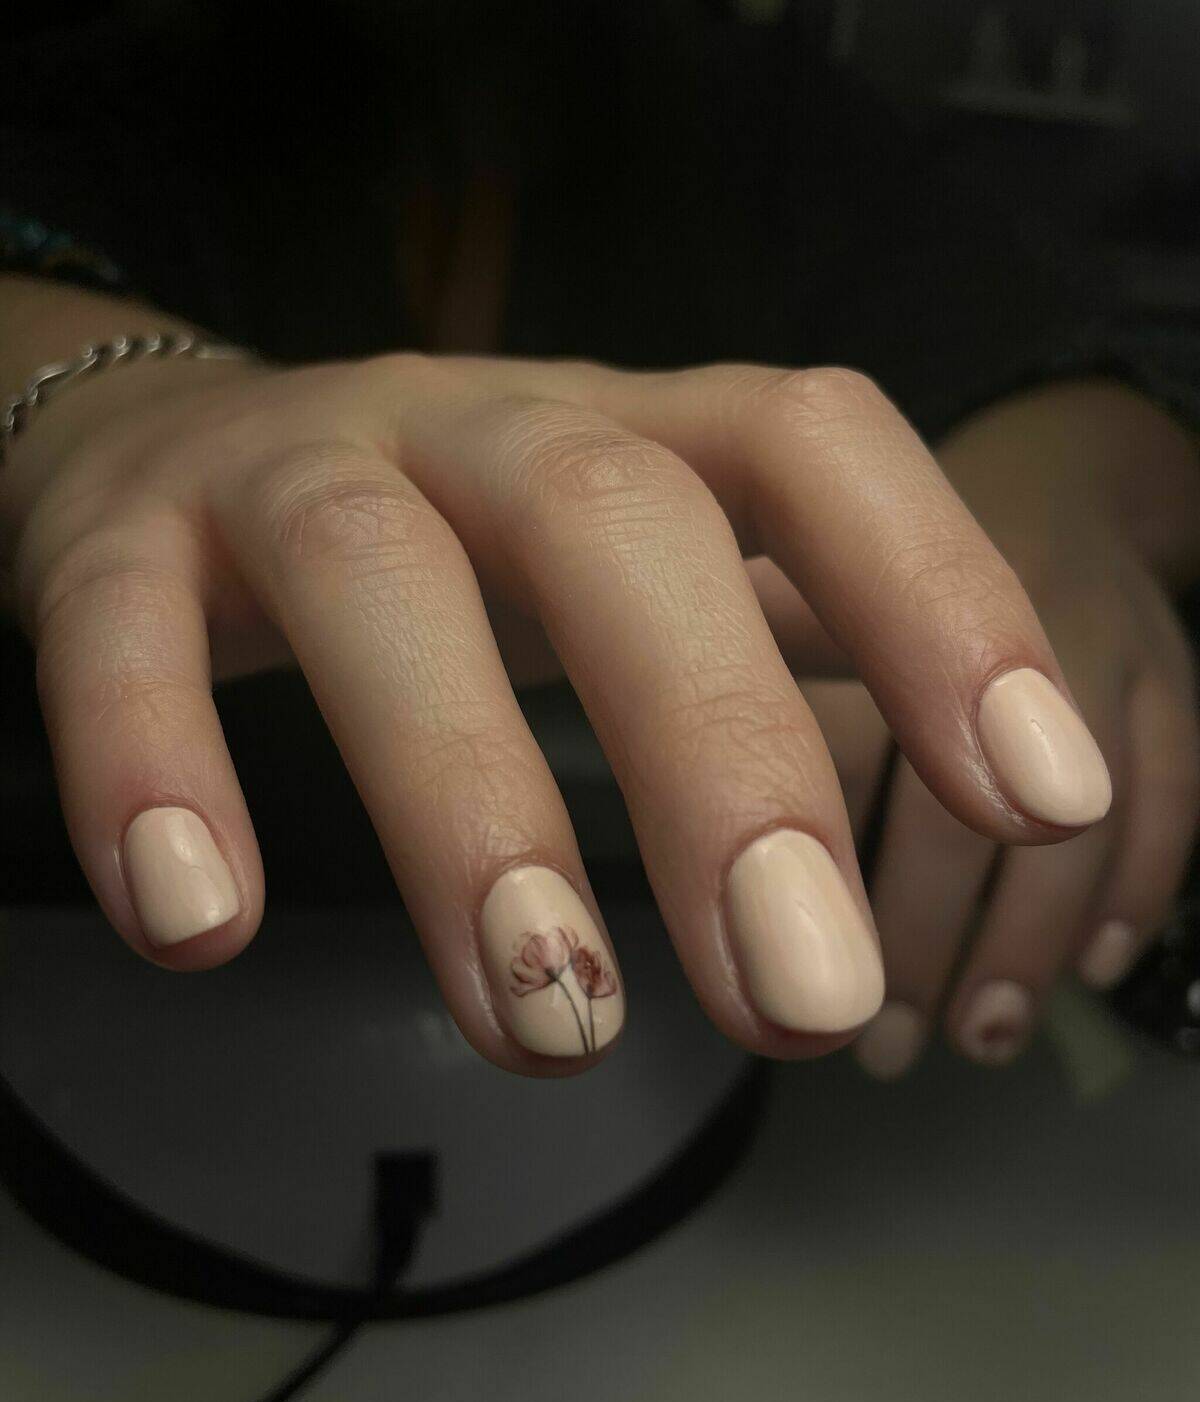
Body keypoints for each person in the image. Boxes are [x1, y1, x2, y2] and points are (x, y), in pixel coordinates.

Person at [2, 0, 1197, 1081]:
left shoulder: (760, 119)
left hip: (734, 1133)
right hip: (112, 1053)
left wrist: (1049, 485)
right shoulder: (110, 96)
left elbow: (1105, 364)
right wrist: (88, 399)